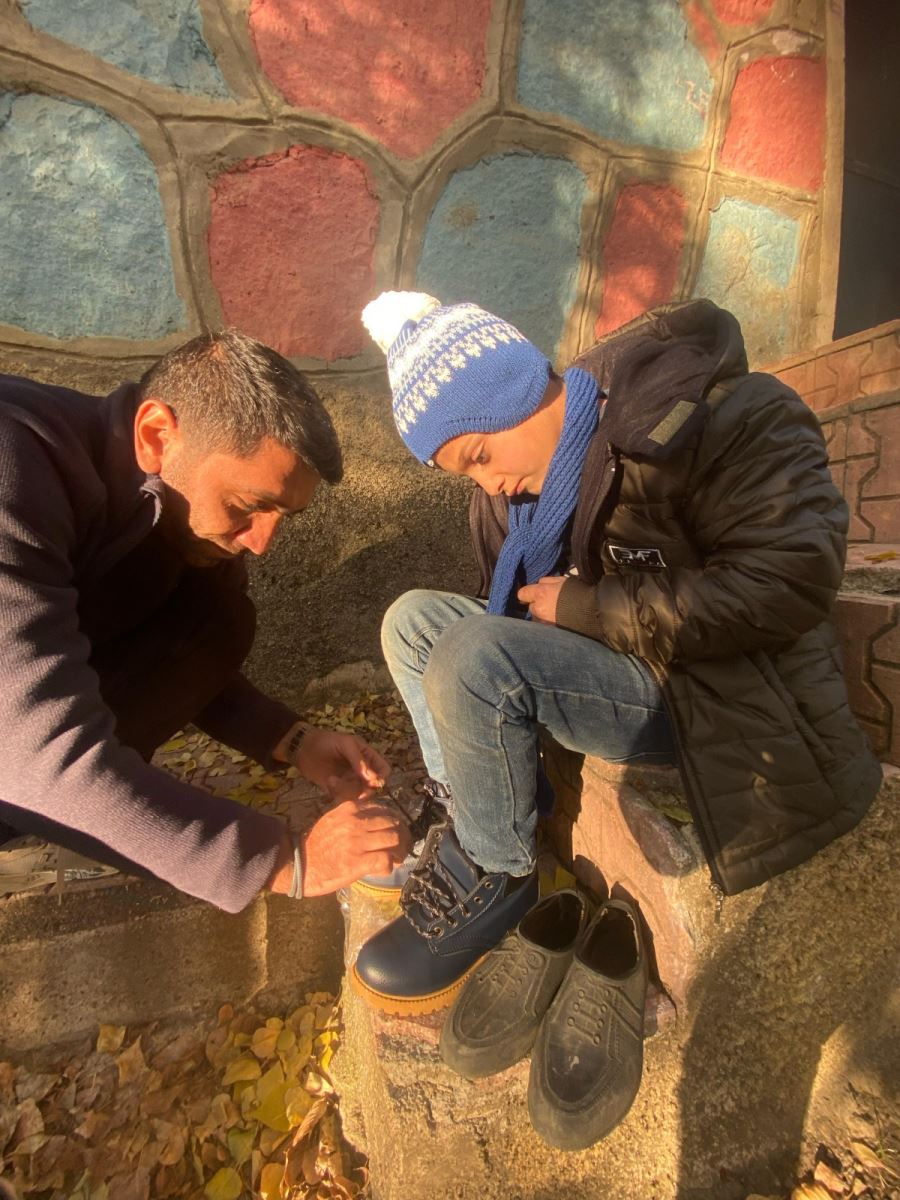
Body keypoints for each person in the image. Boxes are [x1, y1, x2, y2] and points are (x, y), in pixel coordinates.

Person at [351, 291, 882, 1014]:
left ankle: (498, 874)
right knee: (413, 621)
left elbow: (788, 583)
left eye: (480, 456)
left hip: (710, 690)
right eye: (466, 475)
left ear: (512, 391)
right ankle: (467, 812)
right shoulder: (517, 493)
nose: (489, 484)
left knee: (474, 654)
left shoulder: (725, 415)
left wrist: (584, 607)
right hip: (612, 657)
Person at [0, 330, 411, 913]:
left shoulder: (159, 505)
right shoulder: (15, 461)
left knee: (217, 614)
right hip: (16, 746)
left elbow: (183, 656)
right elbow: (33, 747)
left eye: (282, 516)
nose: (262, 543)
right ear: (156, 435)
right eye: (248, 506)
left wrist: (294, 740)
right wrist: (286, 860)